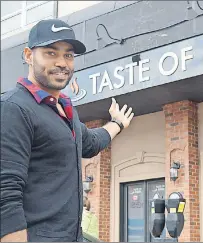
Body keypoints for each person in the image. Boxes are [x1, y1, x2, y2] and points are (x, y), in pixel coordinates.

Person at [1, 19, 134, 242]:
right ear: (28, 55)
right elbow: (5, 192)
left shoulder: (63, 109)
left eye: (68, 55)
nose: (62, 62)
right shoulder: (14, 108)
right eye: (51, 53)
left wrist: (117, 124)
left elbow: (90, 142)